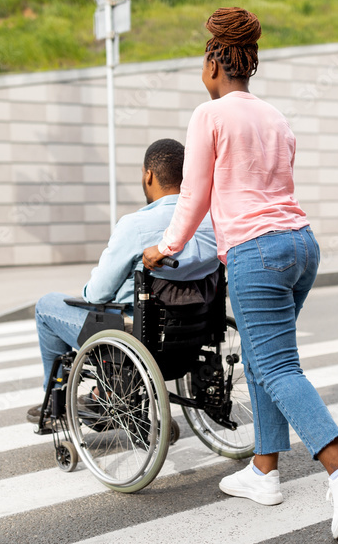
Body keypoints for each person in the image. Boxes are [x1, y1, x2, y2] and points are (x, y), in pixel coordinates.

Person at [143, 7, 338, 540]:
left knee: (274, 367)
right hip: (301, 245)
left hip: (256, 253)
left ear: (213, 64)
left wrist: (165, 247)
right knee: (261, 357)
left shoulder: (209, 117)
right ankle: (264, 472)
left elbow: (194, 196)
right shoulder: (275, 116)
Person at [29, 138, 219, 423]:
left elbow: (97, 293)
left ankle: (56, 400)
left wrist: (86, 292)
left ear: (149, 175)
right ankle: (103, 393)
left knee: (46, 306)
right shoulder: (212, 220)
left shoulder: (136, 226)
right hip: (192, 337)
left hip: (137, 336)